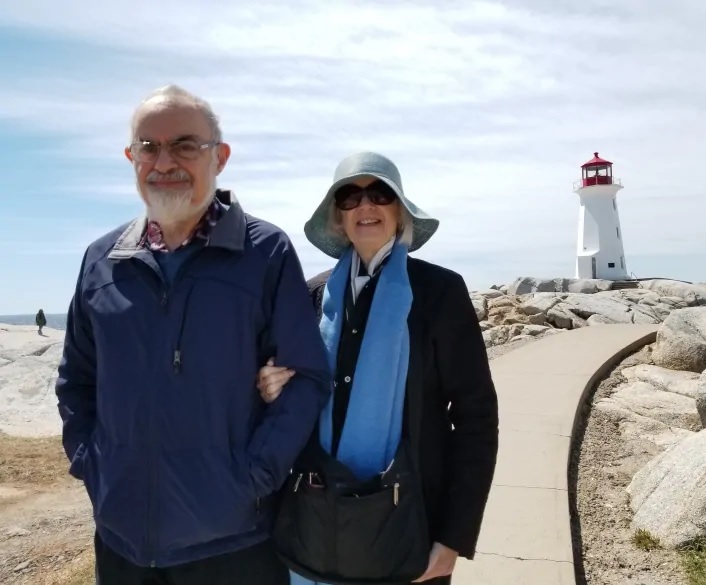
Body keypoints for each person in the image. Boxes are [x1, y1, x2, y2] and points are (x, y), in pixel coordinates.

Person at [55, 85, 331, 585]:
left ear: (219, 157)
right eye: (149, 147)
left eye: (185, 144)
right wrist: (91, 464)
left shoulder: (264, 253)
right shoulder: (101, 260)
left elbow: (307, 378)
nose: (165, 161)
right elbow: (77, 379)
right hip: (122, 542)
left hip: (233, 545)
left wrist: (252, 479)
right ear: (131, 156)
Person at [258, 152, 499, 585]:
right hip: (313, 531)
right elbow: (288, 398)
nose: (365, 206)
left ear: (400, 210)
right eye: (349, 196)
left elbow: (476, 417)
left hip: (410, 534)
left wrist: (453, 537)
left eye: (380, 194)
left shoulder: (439, 292)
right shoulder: (311, 295)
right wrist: (270, 387)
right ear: (338, 217)